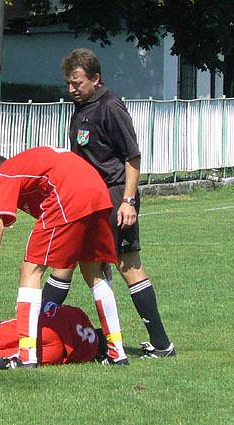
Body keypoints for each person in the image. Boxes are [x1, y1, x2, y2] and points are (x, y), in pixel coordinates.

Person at [60, 48, 175, 358]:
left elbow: (132, 157)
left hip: (114, 196)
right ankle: (110, 344)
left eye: (77, 83)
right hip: (89, 200)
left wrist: (128, 201)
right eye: (69, 83)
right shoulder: (81, 106)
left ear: (96, 79)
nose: (72, 89)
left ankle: (161, 344)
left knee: (128, 265)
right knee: (83, 265)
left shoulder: (111, 106)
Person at [0, 147, 128, 367]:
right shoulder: (28, 170)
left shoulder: (5, 172)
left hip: (69, 192)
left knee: (30, 269)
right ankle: (117, 352)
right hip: (97, 189)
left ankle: (27, 355)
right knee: (92, 271)